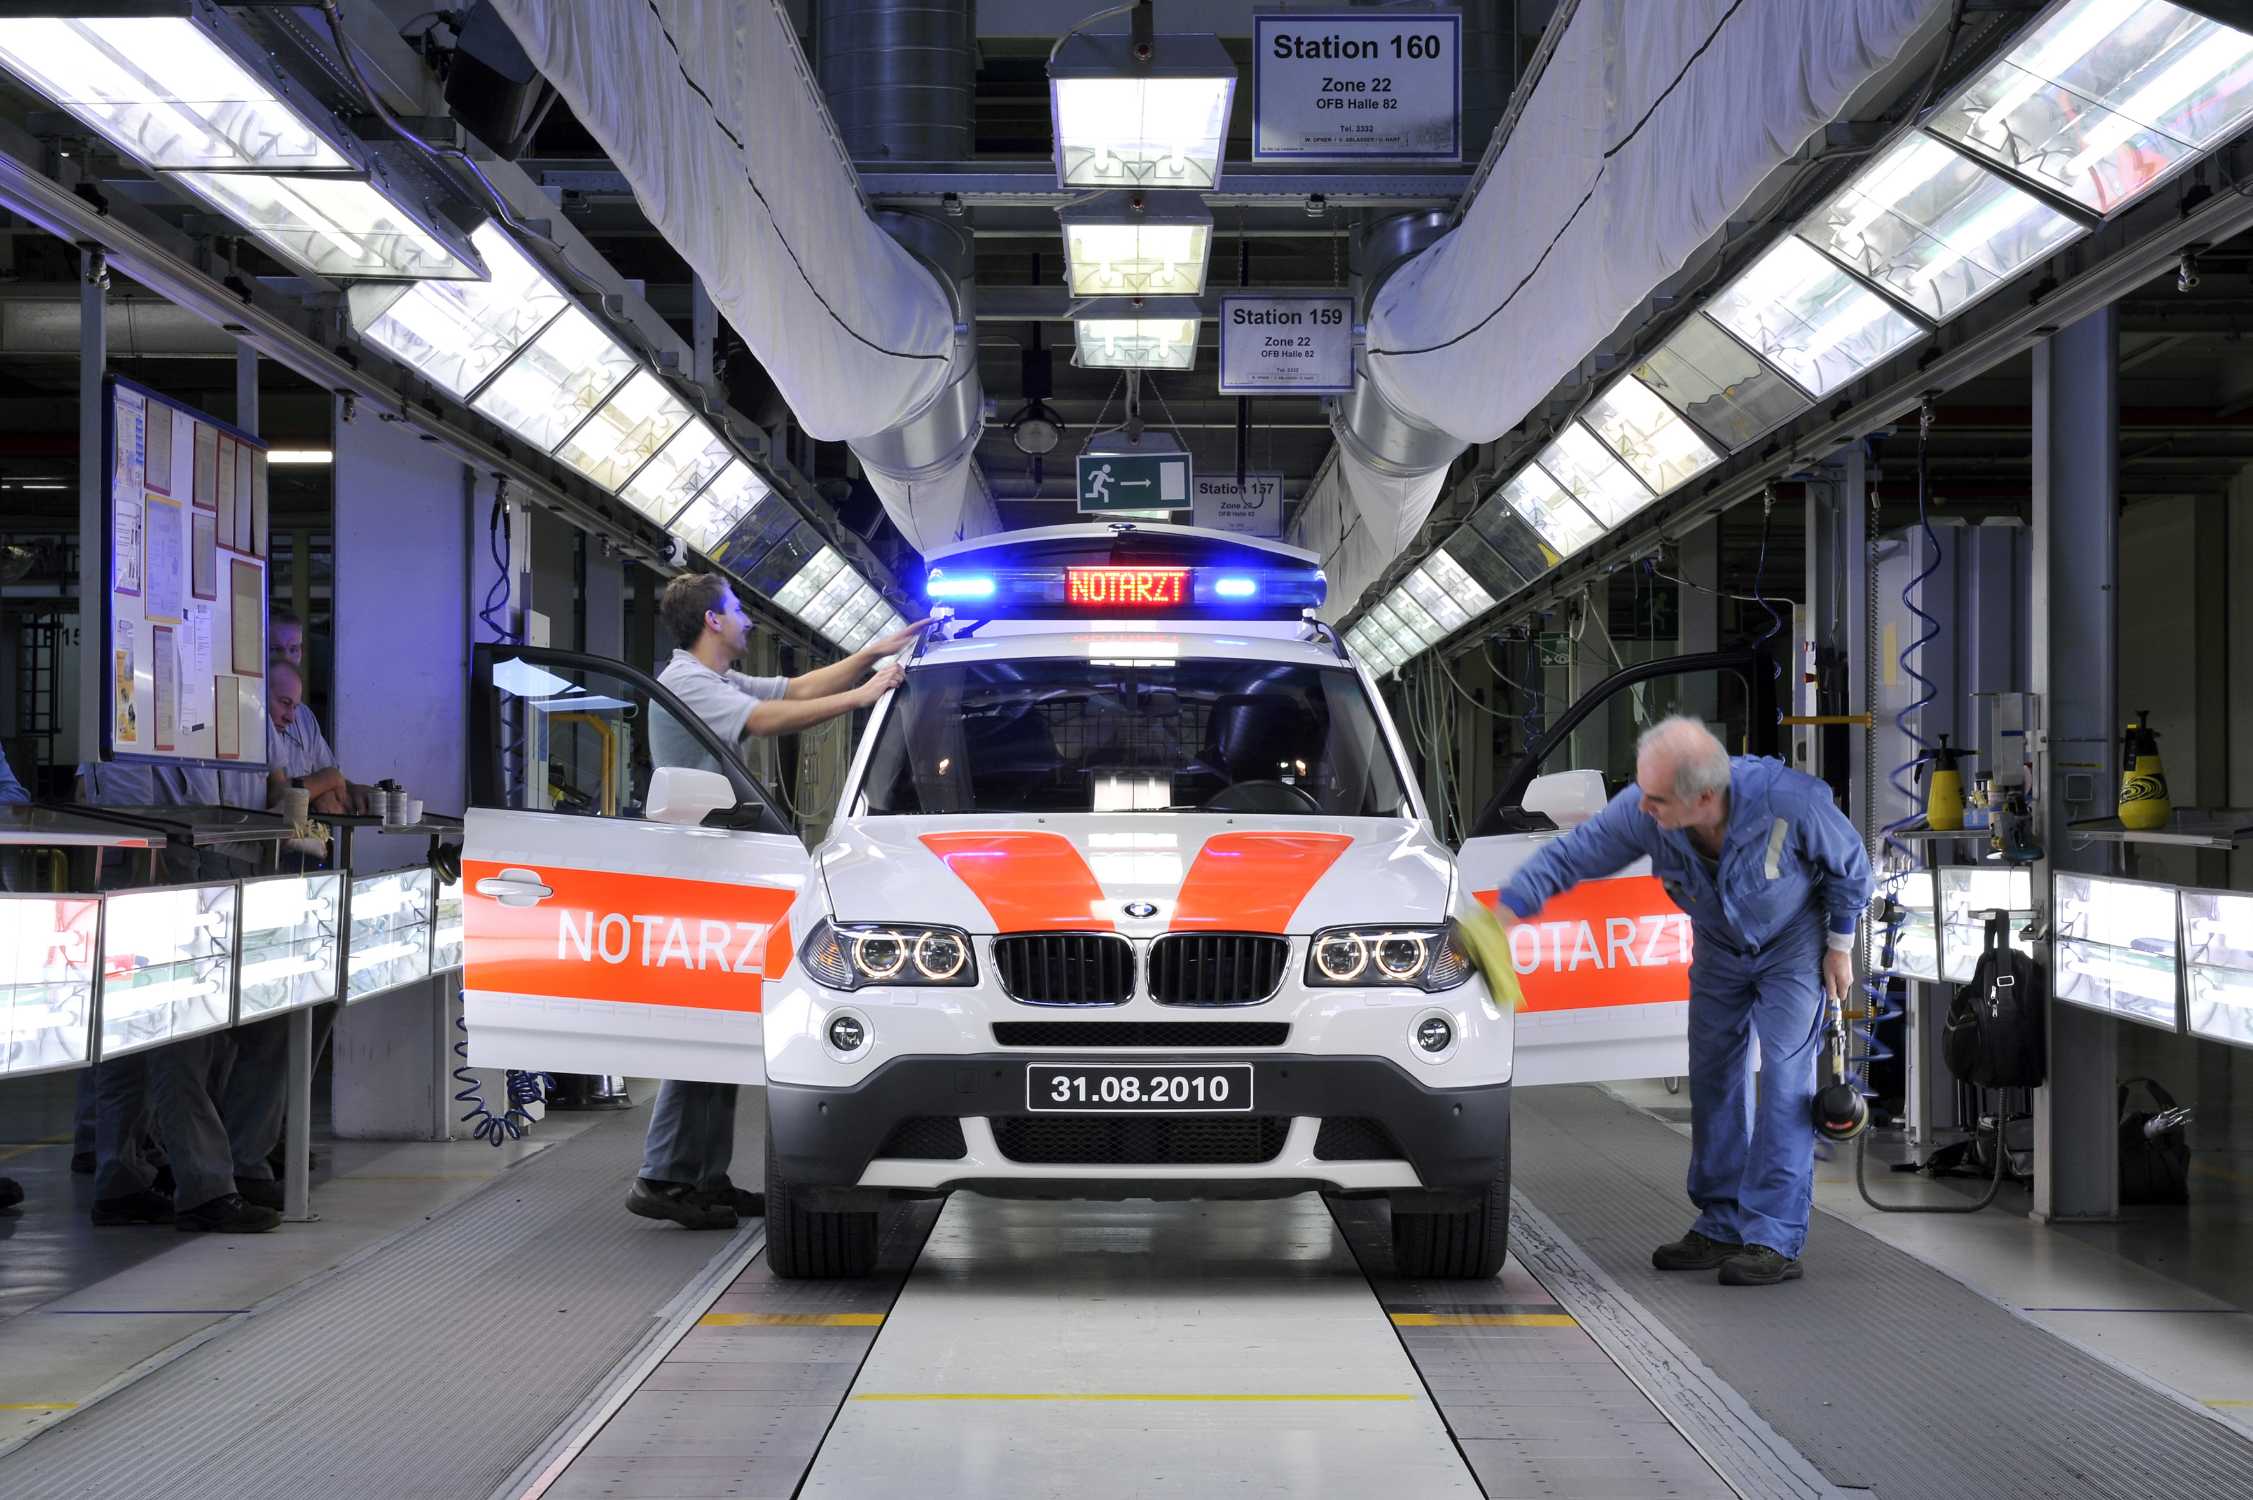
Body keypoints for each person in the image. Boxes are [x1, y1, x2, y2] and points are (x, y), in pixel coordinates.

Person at [1492, 716, 1872, 1286]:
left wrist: (1840, 946)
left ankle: (1773, 1237)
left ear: (1704, 797)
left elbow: (1852, 868)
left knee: (1785, 1083)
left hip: (1794, 944)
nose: (1644, 808)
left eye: (1658, 799)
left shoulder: (1791, 801)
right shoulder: (1645, 810)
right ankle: (1721, 1222)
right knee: (1714, 1075)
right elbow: (1571, 857)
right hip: (1719, 946)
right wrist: (1503, 915)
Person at [629, 572, 925, 1231]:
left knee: (720, 1032)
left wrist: (871, 654)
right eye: (736, 610)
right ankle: (664, 1175)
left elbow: (791, 690)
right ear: (711, 622)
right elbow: (769, 719)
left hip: (717, 870)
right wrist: (864, 697)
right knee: (701, 1030)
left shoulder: (711, 680)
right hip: (698, 874)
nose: (747, 621)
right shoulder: (687, 685)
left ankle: (698, 1177)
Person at [75, 759, 284, 1233]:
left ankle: (121, 1182)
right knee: (175, 1039)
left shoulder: (196, 728)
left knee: (133, 1044)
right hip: (153, 880)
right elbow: (139, 816)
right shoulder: (134, 727)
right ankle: (203, 1188)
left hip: (183, 875)